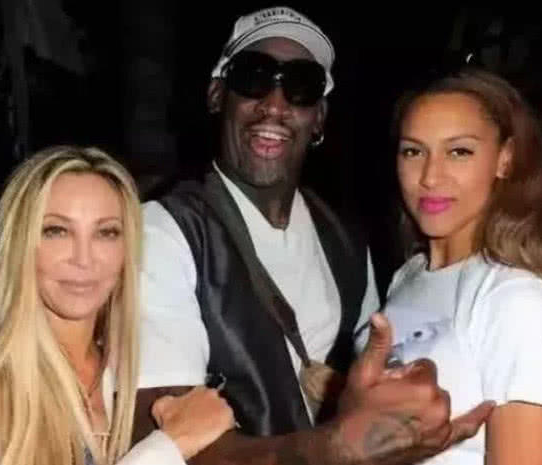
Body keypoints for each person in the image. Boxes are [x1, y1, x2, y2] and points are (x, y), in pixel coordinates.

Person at [134, 6, 492, 464]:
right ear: (217, 95)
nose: (275, 105)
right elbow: (169, 444)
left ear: (319, 117)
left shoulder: (344, 239)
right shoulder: (164, 232)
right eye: (253, 77)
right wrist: (334, 448)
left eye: (301, 86)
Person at [0, 146, 235, 465]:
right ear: (19, 244)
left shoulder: (129, 372)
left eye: (106, 233)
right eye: (57, 231)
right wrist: (170, 445)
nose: (84, 259)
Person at [359, 67, 542, 464]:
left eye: (459, 151)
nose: (430, 176)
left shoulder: (517, 300)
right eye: (413, 151)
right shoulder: (409, 276)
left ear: (505, 159)